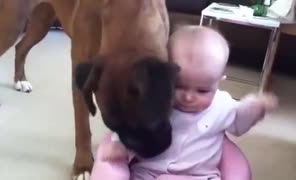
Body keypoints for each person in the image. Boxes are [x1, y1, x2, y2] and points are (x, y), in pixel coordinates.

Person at [90, 26, 278, 180]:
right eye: (179, 86)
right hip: (148, 173)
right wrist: (118, 145)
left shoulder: (222, 104)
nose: (188, 97)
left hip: (200, 176)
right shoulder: (156, 102)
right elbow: (130, 125)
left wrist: (255, 108)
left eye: (203, 90)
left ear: (219, 80)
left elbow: (238, 123)